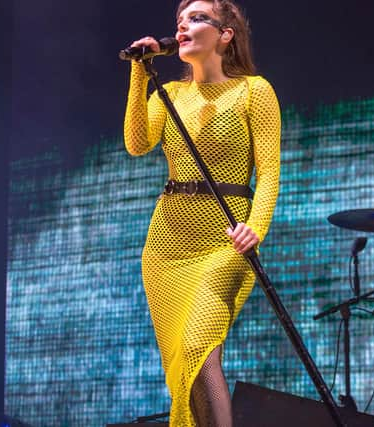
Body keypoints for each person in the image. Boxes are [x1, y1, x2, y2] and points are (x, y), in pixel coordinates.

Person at [123, 1, 281, 426]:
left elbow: (267, 173)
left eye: (195, 19)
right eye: (179, 21)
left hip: (224, 240)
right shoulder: (171, 94)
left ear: (225, 34)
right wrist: (141, 70)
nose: (183, 27)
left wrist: (256, 227)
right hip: (167, 246)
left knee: (198, 343)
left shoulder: (253, 91)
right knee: (186, 370)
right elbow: (138, 143)